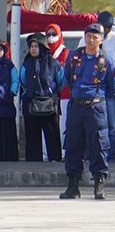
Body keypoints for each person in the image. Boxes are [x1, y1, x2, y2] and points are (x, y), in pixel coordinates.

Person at [60, 23, 115, 200]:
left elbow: (112, 87)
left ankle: (99, 184)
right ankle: (73, 185)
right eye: (88, 36)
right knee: (72, 145)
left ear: (101, 40)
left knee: (99, 145)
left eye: (95, 37)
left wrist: (96, 97)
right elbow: (68, 79)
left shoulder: (105, 61)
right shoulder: (74, 57)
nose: (91, 40)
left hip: (95, 107)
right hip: (76, 106)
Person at [20, 33, 64, 162]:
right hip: (31, 103)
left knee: (52, 134)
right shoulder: (26, 63)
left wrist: (50, 91)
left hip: (49, 103)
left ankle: (54, 159)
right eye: (31, 46)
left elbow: (61, 81)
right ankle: (34, 162)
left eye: (36, 46)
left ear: (43, 47)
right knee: (32, 135)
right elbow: (22, 81)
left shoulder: (54, 64)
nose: (33, 49)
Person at [97, 11, 115, 161]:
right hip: (94, 89)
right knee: (95, 125)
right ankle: (97, 155)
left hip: (110, 86)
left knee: (112, 125)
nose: (107, 30)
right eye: (104, 26)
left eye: (109, 27)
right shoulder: (86, 39)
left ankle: (112, 155)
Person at [45, 23, 70, 153]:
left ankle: (65, 153)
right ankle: (49, 154)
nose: (51, 37)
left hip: (65, 95)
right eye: (48, 34)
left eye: (54, 34)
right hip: (48, 97)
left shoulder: (65, 53)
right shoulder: (45, 53)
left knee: (64, 125)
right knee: (49, 127)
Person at [0, 40, 19, 161]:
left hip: (7, 104)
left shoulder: (10, 65)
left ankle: (9, 157)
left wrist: (11, 92)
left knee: (8, 132)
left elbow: (15, 80)